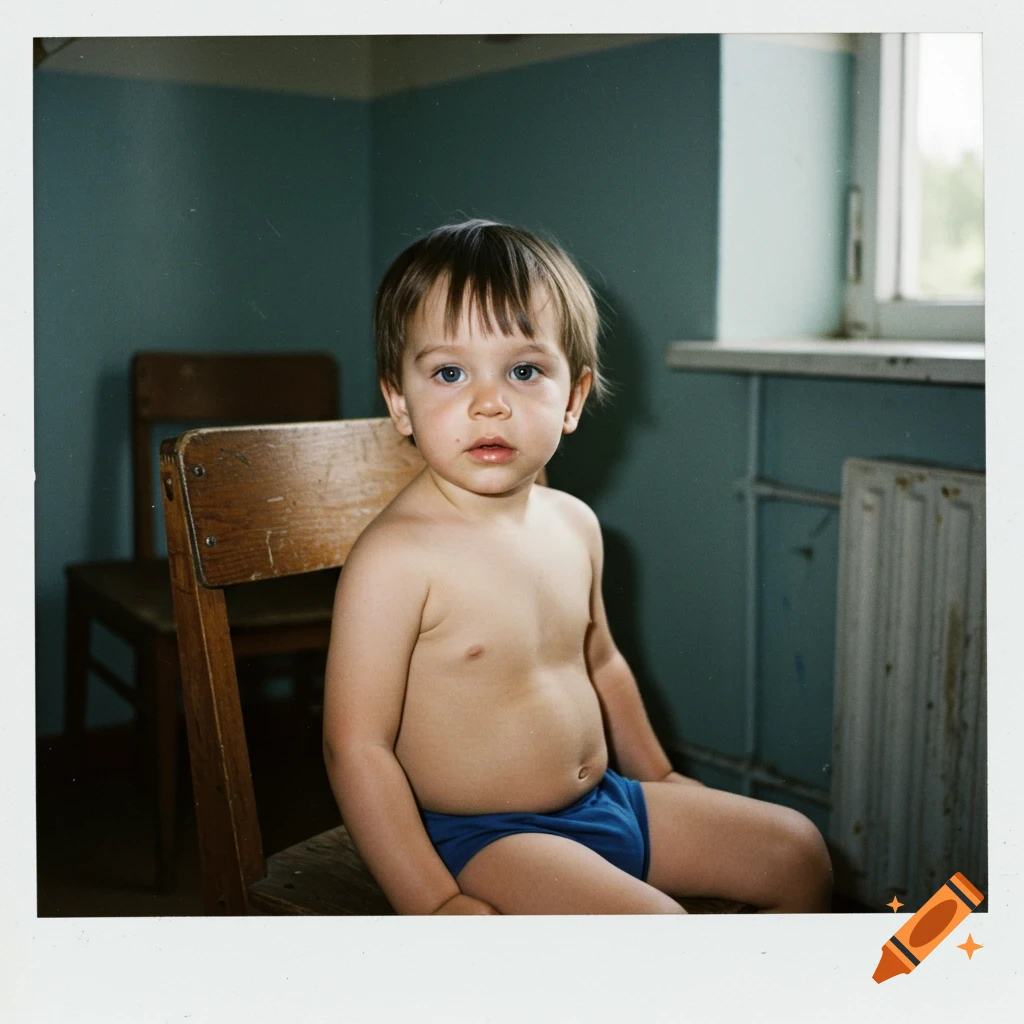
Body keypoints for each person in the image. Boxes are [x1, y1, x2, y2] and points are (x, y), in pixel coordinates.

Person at [322, 219, 833, 915]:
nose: (489, 401)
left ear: (573, 398)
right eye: (449, 372)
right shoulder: (397, 559)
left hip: (606, 803)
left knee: (797, 850)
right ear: (398, 402)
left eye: (524, 370)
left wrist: (657, 775)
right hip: (482, 839)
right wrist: (432, 903)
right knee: (662, 931)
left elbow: (601, 663)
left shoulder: (575, 524)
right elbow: (355, 746)